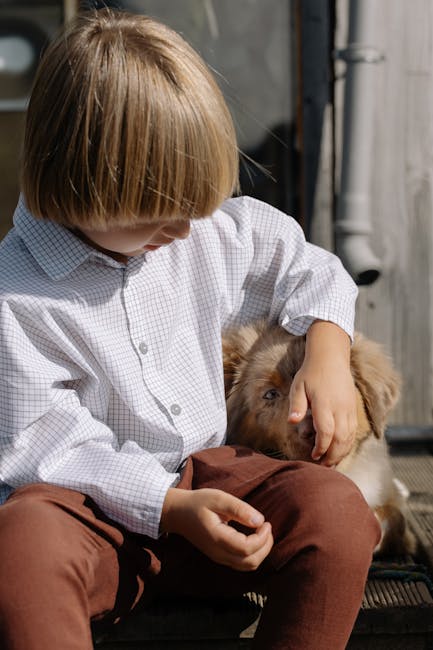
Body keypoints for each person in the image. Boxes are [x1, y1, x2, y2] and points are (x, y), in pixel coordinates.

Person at [0, 9, 380, 650]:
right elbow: (45, 446)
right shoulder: (17, 294)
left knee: (337, 510)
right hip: (90, 519)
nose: (183, 228)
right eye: (159, 211)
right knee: (20, 547)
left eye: (194, 205)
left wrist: (327, 352)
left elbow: (310, 268)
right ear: (81, 182)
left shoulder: (204, 233)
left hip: (216, 492)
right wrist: (167, 506)